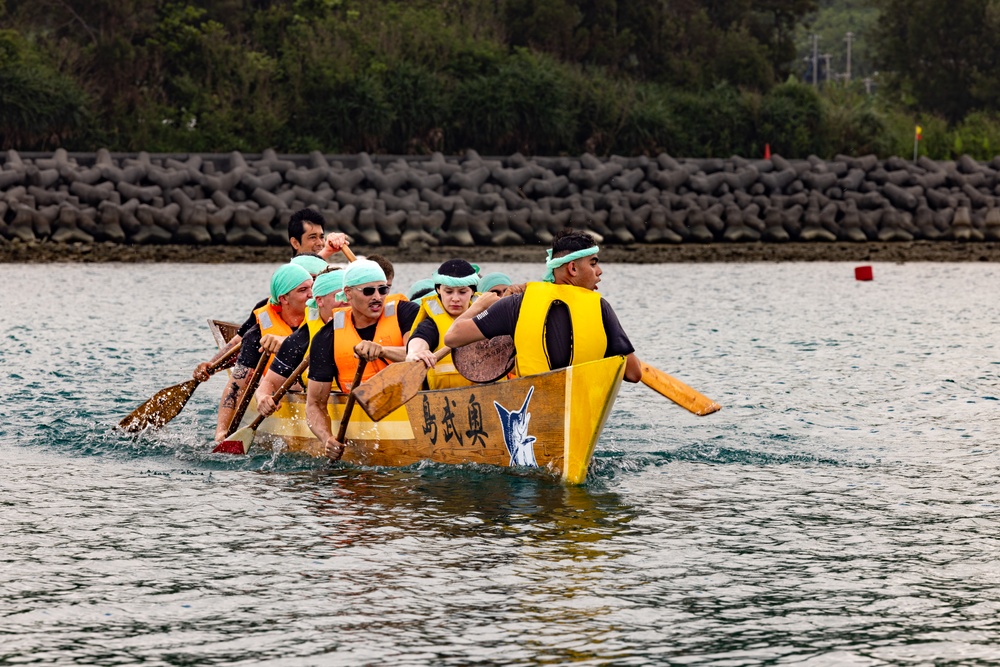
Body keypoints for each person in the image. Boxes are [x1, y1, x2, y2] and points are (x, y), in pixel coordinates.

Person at [444, 229, 643, 383]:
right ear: (572, 268)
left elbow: (452, 337)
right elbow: (634, 373)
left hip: (533, 406)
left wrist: (477, 307)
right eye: (593, 263)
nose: (599, 271)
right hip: (582, 407)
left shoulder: (516, 303)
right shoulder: (601, 307)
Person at [305, 259, 422, 458]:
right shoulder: (327, 336)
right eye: (368, 291)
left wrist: (382, 351)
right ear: (348, 293)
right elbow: (315, 403)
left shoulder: (406, 312)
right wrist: (327, 439)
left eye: (383, 290)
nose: (377, 297)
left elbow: (417, 356)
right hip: (363, 419)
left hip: (413, 409)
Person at [211, 263, 313, 444]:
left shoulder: (322, 320)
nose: (311, 295)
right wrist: (222, 432)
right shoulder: (257, 335)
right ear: (284, 299)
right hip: (274, 385)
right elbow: (236, 387)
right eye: (303, 290)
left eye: (312, 287)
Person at [254, 268, 343, 417]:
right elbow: (268, 384)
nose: (346, 302)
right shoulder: (302, 337)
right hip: (322, 404)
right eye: (339, 296)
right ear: (319, 301)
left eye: (349, 296)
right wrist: (263, 398)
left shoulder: (368, 322)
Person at [405, 259, 481, 389]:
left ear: (472, 292)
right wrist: (414, 353)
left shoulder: (488, 314)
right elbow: (419, 339)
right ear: (438, 290)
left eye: (462, 292)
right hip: (444, 404)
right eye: (449, 291)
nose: (455, 298)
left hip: (486, 401)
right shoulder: (431, 324)